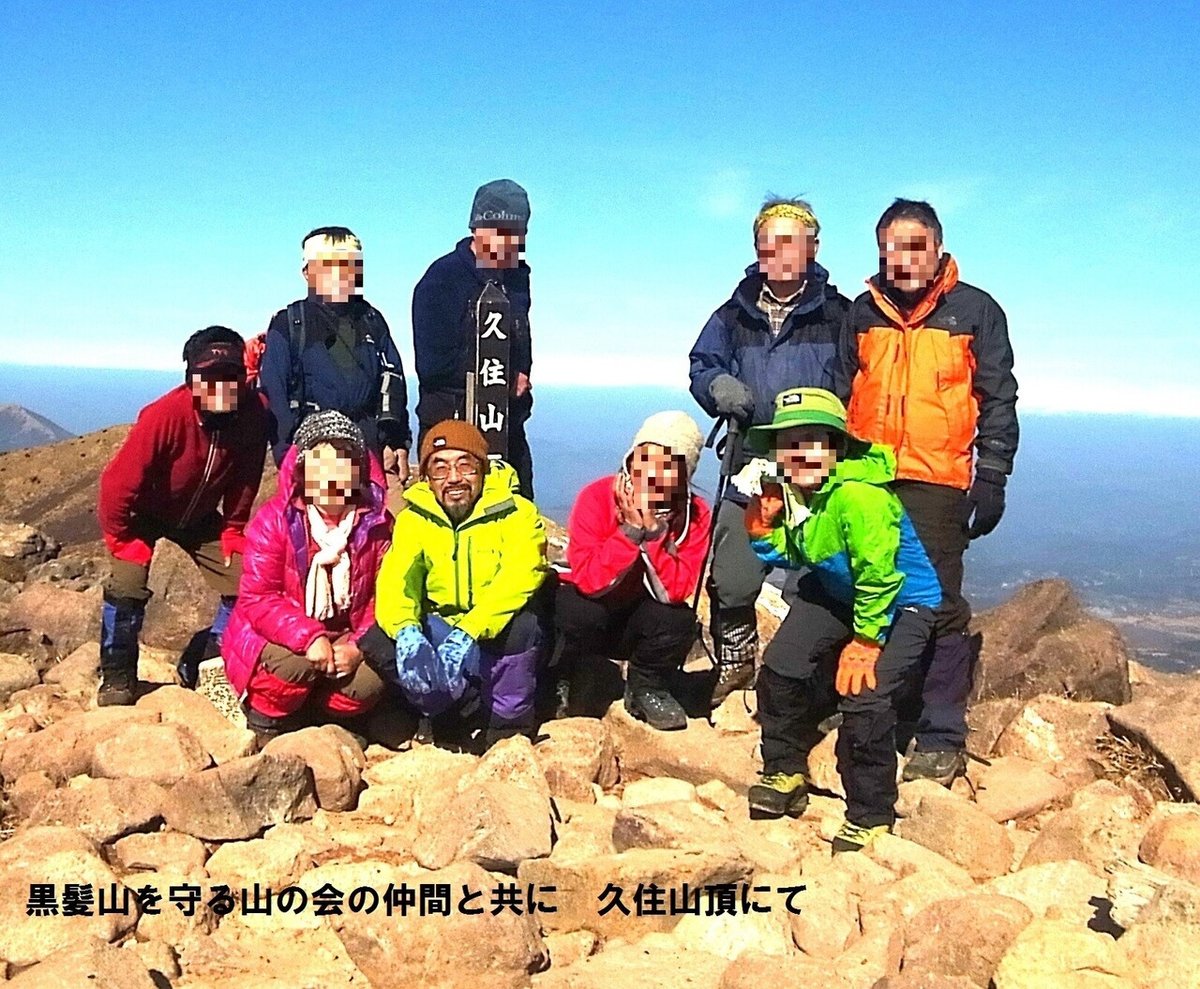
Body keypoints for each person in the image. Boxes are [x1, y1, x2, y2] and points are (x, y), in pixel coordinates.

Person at [835, 199, 1018, 785]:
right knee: (862, 590)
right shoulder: (863, 312)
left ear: (938, 248)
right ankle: (865, 710)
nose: (902, 257)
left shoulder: (975, 311)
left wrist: (991, 474)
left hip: (938, 481)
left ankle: (941, 733)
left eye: (915, 246)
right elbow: (840, 394)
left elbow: (998, 397)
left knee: (937, 605)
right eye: (891, 246)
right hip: (866, 477)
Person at [740, 388, 941, 852]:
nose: (802, 452)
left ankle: (871, 812)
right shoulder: (798, 494)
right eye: (791, 442)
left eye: (815, 440)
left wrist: (866, 641)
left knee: (865, 698)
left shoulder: (858, 496)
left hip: (904, 602)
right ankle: (785, 768)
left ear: (838, 446)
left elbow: (881, 575)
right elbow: (801, 554)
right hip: (843, 594)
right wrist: (764, 531)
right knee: (782, 665)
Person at [688, 197, 850, 707]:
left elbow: (861, 383)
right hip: (751, 466)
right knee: (734, 572)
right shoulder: (734, 313)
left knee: (816, 583)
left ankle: (808, 683)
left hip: (821, 473)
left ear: (812, 248)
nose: (773, 252)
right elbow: (701, 363)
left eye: (786, 242)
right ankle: (737, 664)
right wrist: (717, 387)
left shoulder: (840, 316)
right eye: (765, 243)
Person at [96, 327, 269, 706]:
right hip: (144, 515)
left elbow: (246, 476)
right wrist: (122, 538)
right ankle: (117, 674)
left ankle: (210, 658)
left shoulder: (253, 416)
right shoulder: (165, 415)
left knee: (247, 582)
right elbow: (117, 485)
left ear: (243, 377)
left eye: (232, 377)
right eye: (210, 378)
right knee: (127, 586)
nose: (222, 387)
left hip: (200, 516)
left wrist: (235, 528)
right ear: (192, 380)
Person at [369, 420, 548, 746]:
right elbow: (398, 579)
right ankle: (448, 711)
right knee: (379, 638)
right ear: (427, 477)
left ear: (482, 469)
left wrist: (472, 628)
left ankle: (508, 726)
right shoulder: (414, 519)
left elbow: (521, 574)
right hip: (442, 626)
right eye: (440, 468)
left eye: (465, 465)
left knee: (524, 625)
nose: (453, 478)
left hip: (491, 628)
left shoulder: (516, 512)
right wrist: (406, 630)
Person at [221, 411, 393, 745]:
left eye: (342, 468)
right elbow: (258, 597)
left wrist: (358, 646)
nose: (330, 480)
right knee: (293, 664)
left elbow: (384, 597)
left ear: (359, 474)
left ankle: (324, 719)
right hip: (282, 637)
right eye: (319, 468)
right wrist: (310, 637)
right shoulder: (275, 521)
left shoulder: (378, 527)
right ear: (301, 473)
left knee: (369, 681)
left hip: (345, 634)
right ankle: (268, 720)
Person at [555, 412, 711, 730]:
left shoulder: (694, 515)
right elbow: (588, 581)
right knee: (574, 608)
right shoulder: (597, 497)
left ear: (684, 474)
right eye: (645, 460)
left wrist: (652, 533)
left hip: (639, 621)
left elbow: (675, 591)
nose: (652, 474)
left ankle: (647, 686)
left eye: (668, 465)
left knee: (678, 619)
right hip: (595, 613)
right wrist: (628, 533)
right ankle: (570, 675)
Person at [411, 179, 535, 499]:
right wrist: (499, 379)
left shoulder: (516, 280)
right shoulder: (441, 280)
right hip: (451, 434)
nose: (512, 246)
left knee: (516, 524)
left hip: (507, 433)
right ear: (479, 230)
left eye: (518, 236)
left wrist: (520, 374)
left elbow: (521, 341)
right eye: (504, 235)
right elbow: (433, 365)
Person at [260, 226, 411, 482]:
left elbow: (393, 380)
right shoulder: (290, 324)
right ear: (307, 272)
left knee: (379, 522)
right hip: (313, 453)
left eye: (350, 265)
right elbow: (276, 397)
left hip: (371, 452)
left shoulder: (372, 320)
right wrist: (289, 462)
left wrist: (397, 442)